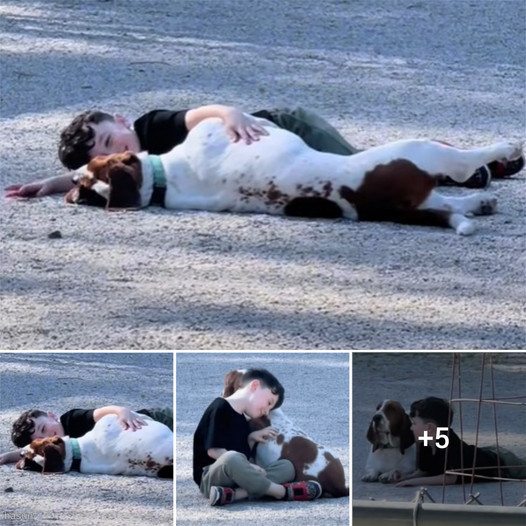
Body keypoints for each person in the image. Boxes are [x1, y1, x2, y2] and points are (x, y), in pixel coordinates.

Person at [6, 104, 516, 199]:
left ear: (120, 122)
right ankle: (464, 169)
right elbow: (90, 176)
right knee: (367, 168)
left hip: (285, 128)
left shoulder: (151, 128)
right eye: (106, 151)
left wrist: (230, 116)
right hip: (283, 160)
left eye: (110, 140)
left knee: (368, 162)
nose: (116, 150)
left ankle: (467, 160)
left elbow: (207, 112)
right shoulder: (130, 166)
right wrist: (49, 185)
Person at [193, 368, 321, 506]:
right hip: (212, 476)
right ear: (255, 386)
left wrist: (251, 438)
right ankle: (282, 492)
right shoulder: (220, 407)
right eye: (269, 403)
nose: (266, 411)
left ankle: (235, 494)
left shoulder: (241, 418)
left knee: (287, 466)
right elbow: (214, 451)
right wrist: (249, 466)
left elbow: (242, 453)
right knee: (231, 457)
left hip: (238, 477)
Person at [396, 397, 526, 486]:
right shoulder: (425, 441)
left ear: (429, 428)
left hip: (501, 462)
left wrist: (413, 483)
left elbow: (452, 477)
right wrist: (407, 478)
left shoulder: (447, 440)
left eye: (414, 423)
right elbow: (425, 470)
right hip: (484, 451)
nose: (411, 427)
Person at [0, 405, 173, 465]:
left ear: (52, 416)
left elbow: (101, 412)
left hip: (151, 419)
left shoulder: (71, 420)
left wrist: (122, 411)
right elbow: (30, 449)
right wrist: (7, 457)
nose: (48, 437)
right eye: (41, 438)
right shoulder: (59, 446)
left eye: (45, 428)